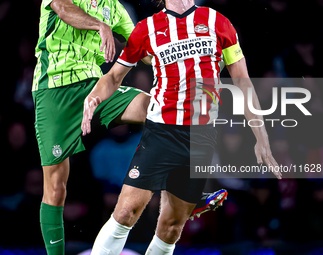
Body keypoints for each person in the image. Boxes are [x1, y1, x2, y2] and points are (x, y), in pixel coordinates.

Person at [81, 0, 282, 254]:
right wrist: (94, 97)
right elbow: (113, 76)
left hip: (201, 137)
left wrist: (260, 134)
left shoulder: (217, 22)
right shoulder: (147, 28)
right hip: (161, 132)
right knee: (125, 212)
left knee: (172, 226)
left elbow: (243, 81)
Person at [32, 0, 225, 254]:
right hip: (54, 91)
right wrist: (100, 25)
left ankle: (185, 190)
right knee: (56, 187)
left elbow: (144, 48)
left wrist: (184, 54)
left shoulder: (116, 9)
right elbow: (63, 9)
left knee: (158, 106)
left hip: (94, 86)